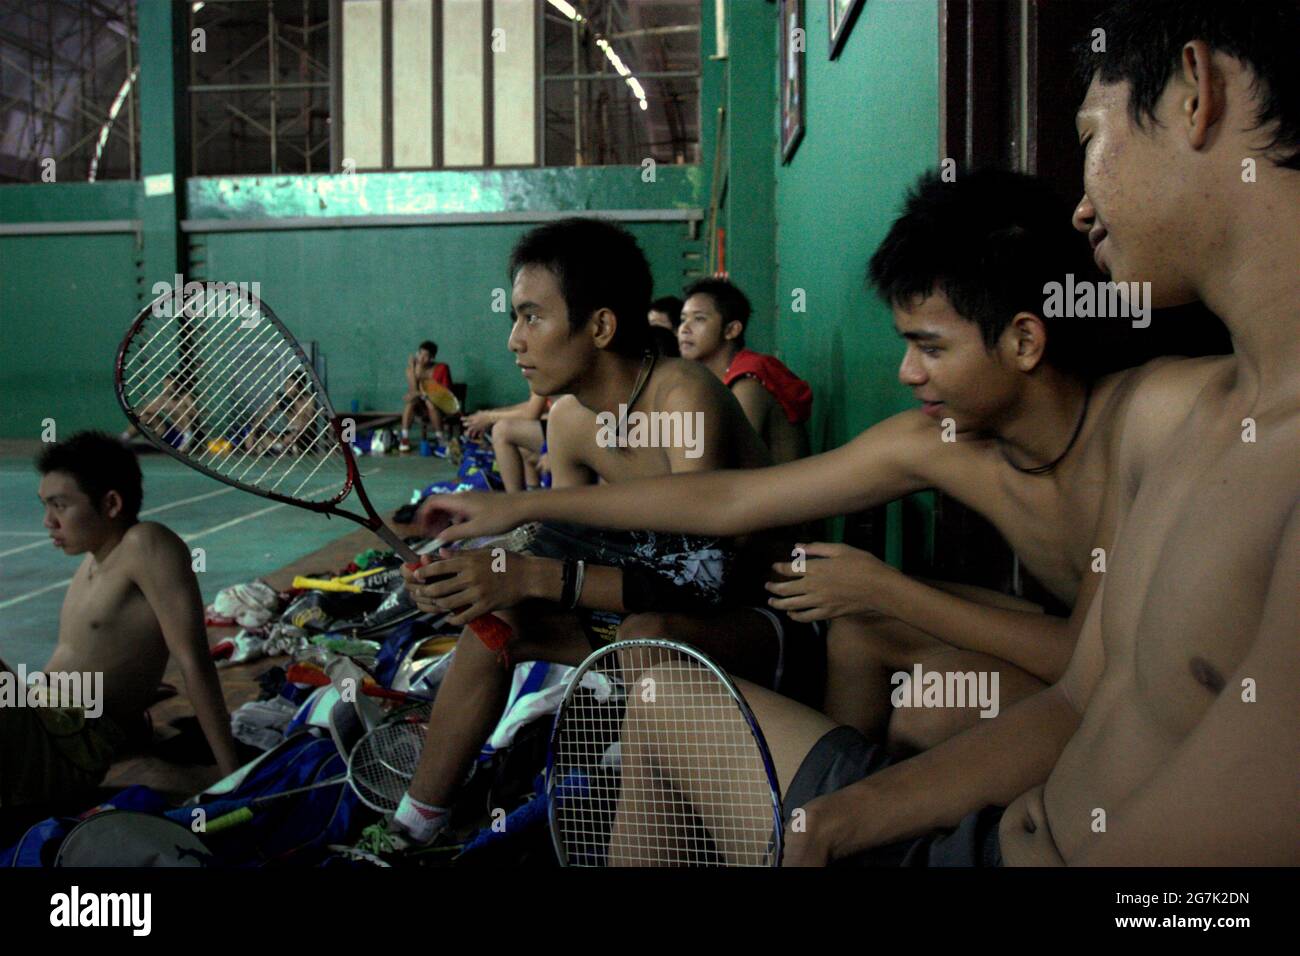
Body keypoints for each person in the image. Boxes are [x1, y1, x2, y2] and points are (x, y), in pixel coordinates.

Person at [478, 0, 1300, 867]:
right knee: (694, 687)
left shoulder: (1152, 417)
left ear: (1194, 93)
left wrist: (886, 592)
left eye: (1092, 138)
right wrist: (843, 818)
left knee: (818, 676)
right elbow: (1079, 700)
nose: (1084, 210)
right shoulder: (1201, 415)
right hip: (1001, 825)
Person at [415, 169, 1159, 751]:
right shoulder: (929, 442)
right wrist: (520, 508)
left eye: (929, 347)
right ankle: (822, 803)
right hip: (1068, 643)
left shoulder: (1144, 432)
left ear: (1025, 341)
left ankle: (836, 810)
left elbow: (1088, 659)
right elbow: (729, 502)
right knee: (868, 637)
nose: (906, 372)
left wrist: (886, 588)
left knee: (930, 699)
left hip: (1136, 684)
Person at [387, 217, 804, 849]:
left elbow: (708, 577)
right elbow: (564, 550)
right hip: (661, 614)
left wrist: (527, 572)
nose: (513, 341)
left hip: (767, 618)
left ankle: (677, 821)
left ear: (601, 326)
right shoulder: (572, 423)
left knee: (644, 637)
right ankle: (412, 830)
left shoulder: (680, 397)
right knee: (497, 628)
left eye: (532, 317)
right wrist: (470, 577)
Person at [1, 432, 241, 808]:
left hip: (68, 747)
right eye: (46, 506)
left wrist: (234, 776)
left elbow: (194, 660)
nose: (48, 521)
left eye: (60, 505)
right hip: (40, 717)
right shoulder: (93, 560)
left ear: (111, 503)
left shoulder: (145, 543)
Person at [678, 278, 812, 463]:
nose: (684, 328)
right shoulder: (716, 379)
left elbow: (727, 461)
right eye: (683, 319)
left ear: (732, 330)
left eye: (699, 318)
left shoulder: (748, 380)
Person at [400, 341, 454, 453]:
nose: (422, 358)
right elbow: (413, 391)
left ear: (432, 357)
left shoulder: (442, 368)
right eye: (420, 354)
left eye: (426, 356)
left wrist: (421, 394)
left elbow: (444, 392)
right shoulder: (412, 369)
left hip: (441, 404)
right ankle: (404, 438)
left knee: (430, 403)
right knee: (411, 402)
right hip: (421, 406)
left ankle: (440, 438)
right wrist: (413, 372)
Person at [120, 373, 199, 451]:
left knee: (182, 414)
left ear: (176, 385)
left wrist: (175, 409)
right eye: (165, 383)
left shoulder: (185, 397)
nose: (166, 386)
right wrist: (158, 408)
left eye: (169, 384)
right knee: (144, 416)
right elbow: (145, 410)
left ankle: (184, 444)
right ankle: (124, 438)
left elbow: (195, 413)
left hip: (183, 435)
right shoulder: (163, 398)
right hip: (168, 432)